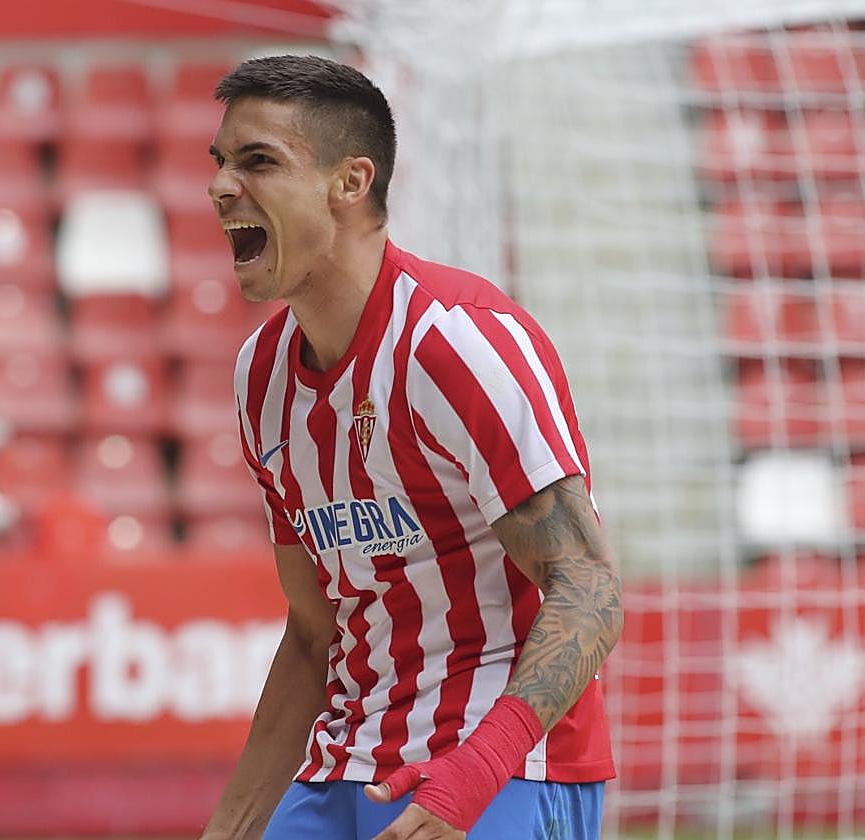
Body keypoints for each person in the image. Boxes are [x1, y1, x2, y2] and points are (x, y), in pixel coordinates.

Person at [200, 54, 622, 840]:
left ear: (350, 182)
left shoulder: (458, 343)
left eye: (258, 161)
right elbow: (312, 632)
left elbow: (589, 590)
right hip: (343, 762)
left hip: (500, 769)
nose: (222, 187)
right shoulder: (261, 375)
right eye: (220, 162)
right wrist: (228, 829)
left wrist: (472, 780)